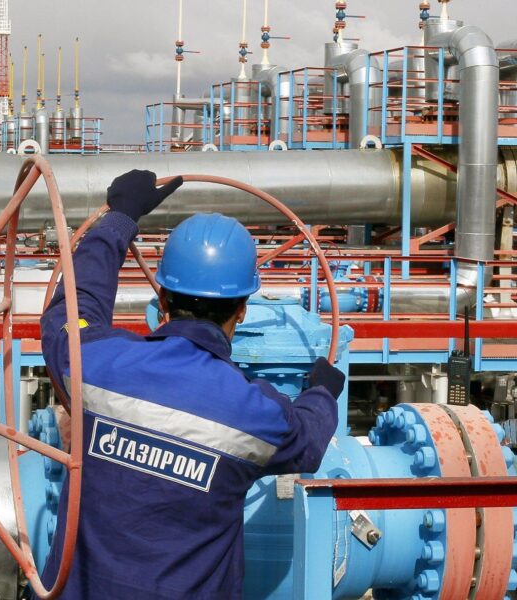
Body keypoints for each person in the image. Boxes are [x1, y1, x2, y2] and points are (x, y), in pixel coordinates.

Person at [38, 169, 342, 599]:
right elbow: (308, 441)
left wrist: (121, 217)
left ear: (162, 297)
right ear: (242, 309)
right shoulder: (258, 414)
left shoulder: (97, 363)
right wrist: (322, 392)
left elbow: (70, 311)